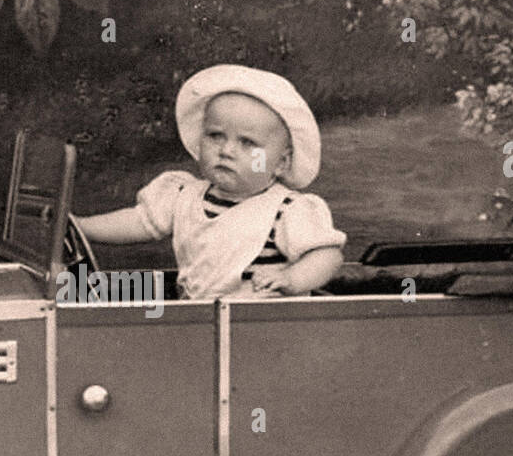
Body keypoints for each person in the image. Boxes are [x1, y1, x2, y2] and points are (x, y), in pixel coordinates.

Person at [71, 64, 346, 300]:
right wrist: (80, 228)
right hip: (202, 322)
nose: (226, 151)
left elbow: (327, 255)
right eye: (215, 136)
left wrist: (291, 278)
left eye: (248, 143)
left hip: (263, 331)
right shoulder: (184, 195)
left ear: (280, 163)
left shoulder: (286, 210)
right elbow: (140, 222)